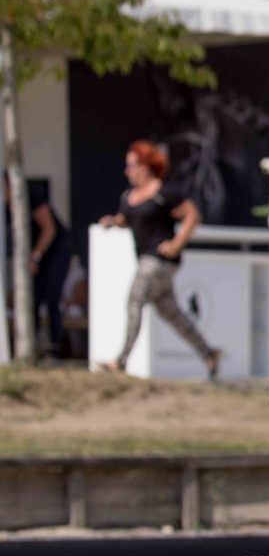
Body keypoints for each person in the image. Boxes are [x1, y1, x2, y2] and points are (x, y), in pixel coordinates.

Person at [98, 140, 220, 378]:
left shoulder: (163, 192)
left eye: (132, 165)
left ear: (145, 166)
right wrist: (112, 222)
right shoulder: (129, 197)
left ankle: (121, 361)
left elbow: (192, 215)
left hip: (159, 260)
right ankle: (209, 354)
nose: (128, 171)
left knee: (135, 300)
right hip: (145, 258)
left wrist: (176, 244)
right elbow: (126, 218)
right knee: (172, 315)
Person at [4, 176, 73, 358]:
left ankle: (54, 349)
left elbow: (49, 229)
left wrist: (35, 257)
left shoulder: (31, 196)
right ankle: (30, 347)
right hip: (35, 255)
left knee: (51, 297)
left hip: (54, 252)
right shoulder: (6, 208)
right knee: (32, 299)